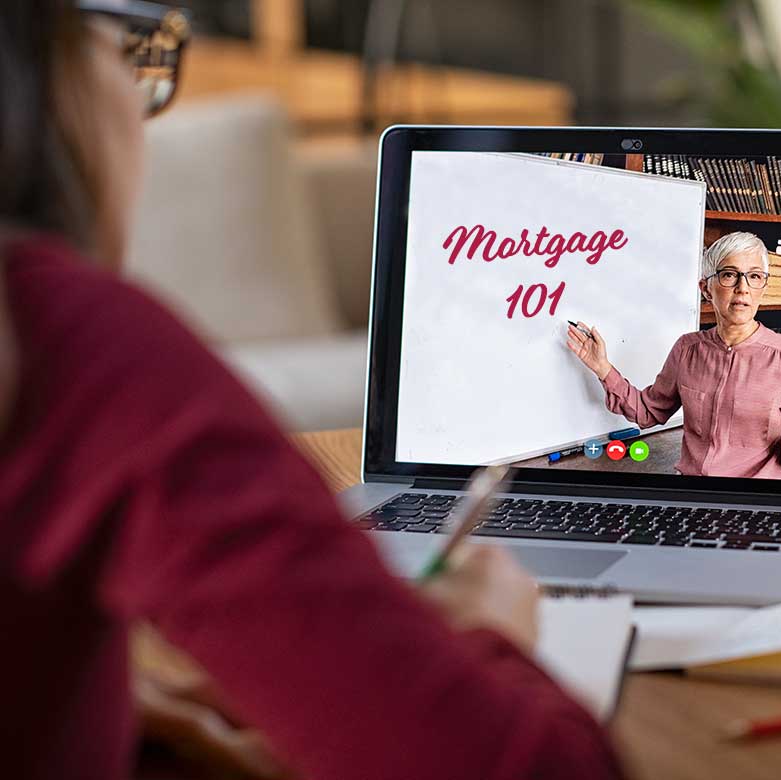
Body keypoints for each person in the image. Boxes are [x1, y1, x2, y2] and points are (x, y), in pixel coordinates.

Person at [0, 3, 622, 779]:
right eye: (133, 54)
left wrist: (109, 713)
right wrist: (486, 638)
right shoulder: (76, 352)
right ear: (45, 65)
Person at [567, 231, 781, 478]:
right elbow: (649, 412)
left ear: (763, 288)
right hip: (693, 495)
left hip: (754, 503)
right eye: (729, 275)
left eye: (755, 276)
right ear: (706, 288)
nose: (743, 288)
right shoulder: (687, 349)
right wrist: (602, 367)